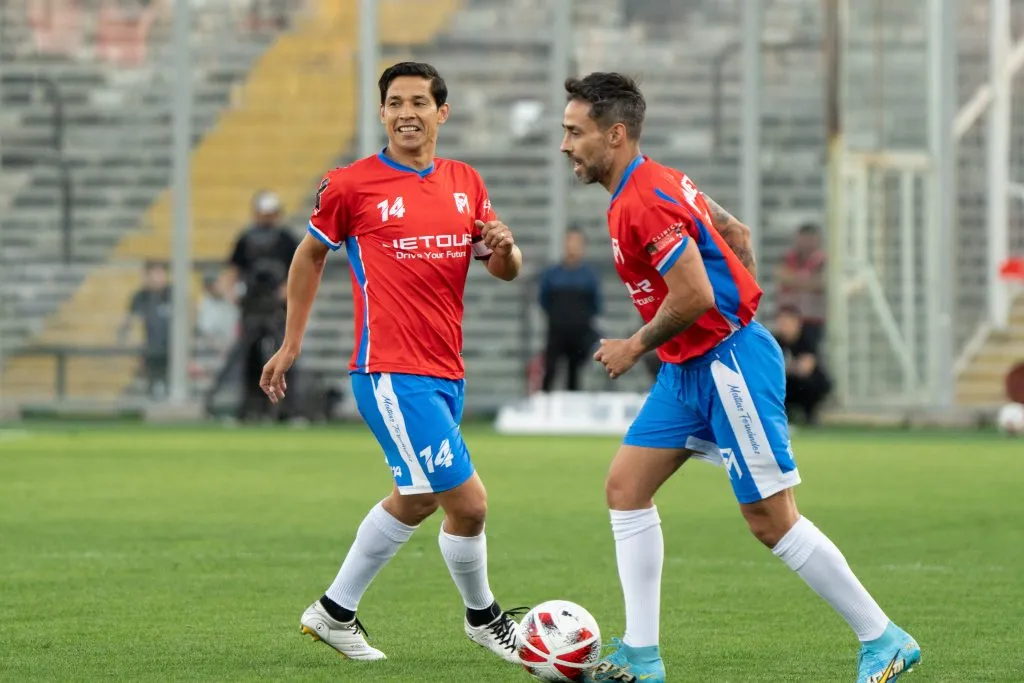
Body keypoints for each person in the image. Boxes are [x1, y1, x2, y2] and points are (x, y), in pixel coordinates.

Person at [560, 72, 919, 683]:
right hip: (687, 366)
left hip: (725, 364)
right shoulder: (657, 182)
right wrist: (736, 302)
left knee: (770, 519)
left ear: (614, 135)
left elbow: (695, 294)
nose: (565, 144)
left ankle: (884, 639)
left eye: (575, 132)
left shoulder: (645, 200)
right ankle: (641, 657)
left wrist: (637, 345)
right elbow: (736, 233)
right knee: (625, 487)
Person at [259, 62, 524, 665]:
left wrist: (506, 249)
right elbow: (309, 258)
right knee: (471, 503)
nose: (408, 112)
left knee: (419, 498)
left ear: (441, 112)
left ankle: (333, 611)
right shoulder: (351, 185)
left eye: (420, 102)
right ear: (382, 114)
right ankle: (484, 619)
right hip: (389, 370)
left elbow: (503, 269)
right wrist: (291, 343)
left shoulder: (466, 182)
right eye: (396, 102)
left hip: (444, 371)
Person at [214, 190, 299, 421]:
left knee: (285, 356)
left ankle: (287, 410)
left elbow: (299, 269)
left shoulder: (286, 239)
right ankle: (250, 409)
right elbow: (234, 268)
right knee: (248, 357)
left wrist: (286, 291)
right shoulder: (246, 238)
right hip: (252, 306)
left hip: (277, 308)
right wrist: (232, 292)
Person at [539, 228, 602, 392]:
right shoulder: (553, 274)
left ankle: (572, 410)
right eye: (570, 241)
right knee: (550, 369)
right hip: (556, 331)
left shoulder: (588, 276)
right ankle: (544, 406)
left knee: (574, 373)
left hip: (580, 333)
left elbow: (596, 304)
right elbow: (544, 300)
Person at [118, 260, 171, 400]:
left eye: (161, 273)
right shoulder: (140, 297)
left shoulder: (172, 294)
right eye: (155, 274)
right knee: (152, 388)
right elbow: (130, 322)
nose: (160, 277)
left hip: (171, 352)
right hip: (149, 353)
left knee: (170, 387)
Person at [773, 304, 832, 425]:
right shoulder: (774, 342)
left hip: (806, 384)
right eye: (781, 322)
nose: (784, 326)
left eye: (787, 322)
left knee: (807, 383)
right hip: (785, 382)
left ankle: (809, 413)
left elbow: (805, 368)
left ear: (796, 322)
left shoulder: (807, 339)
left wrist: (786, 367)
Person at [776, 222, 827, 349]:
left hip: (813, 319)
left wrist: (794, 280)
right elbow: (781, 276)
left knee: (809, 358)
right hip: (788, 318)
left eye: (810, 238)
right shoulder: (788, 257)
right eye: (804, 238)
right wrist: (808, 281)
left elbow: (821, 282)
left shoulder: (823, 260)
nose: (806, 242)